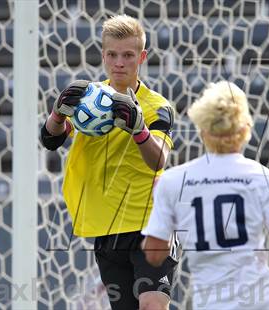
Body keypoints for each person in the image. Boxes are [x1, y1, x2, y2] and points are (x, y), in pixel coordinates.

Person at [40, 14, 177, 310]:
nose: (119, 62)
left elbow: (159, 160)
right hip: (106, 228)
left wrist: (138, 130)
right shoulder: (90, 99)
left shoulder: (157, 107)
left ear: (141, 57)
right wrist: (58, 114)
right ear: (103, 55)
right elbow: (50, 140)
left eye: (128, 55)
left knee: (153, 304)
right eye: (112, 54)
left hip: (150, 223)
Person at [141, 81, 269, 310]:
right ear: (245, 129)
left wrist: (165, 211)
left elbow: (154, 256)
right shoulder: (263, 178)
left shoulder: (173, 181)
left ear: (202, 130)